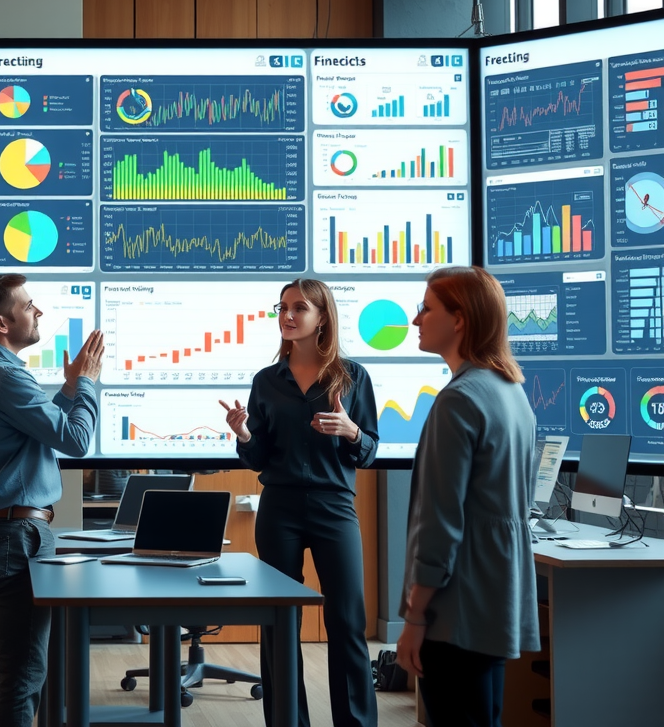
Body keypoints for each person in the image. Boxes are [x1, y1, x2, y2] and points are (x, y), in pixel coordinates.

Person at [0, 273, 104, 727]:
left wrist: (68, 390)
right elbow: (75, 440)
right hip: (11, 537)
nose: (38, 311)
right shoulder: (6, 376)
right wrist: (87, 384)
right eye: (29, 306)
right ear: (2, 323)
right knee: (22, 672)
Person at [221, 278, 379, 727]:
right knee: (279, 622)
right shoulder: (266, 381)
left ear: (322, 316)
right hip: (280, 509)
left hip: (335, 507)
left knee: (347, 621)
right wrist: (244, 434)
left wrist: (352, 432)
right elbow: (258, 457)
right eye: (283, 307)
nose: (287, 316)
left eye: (300, 308)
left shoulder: (353, 377)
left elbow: (368, 452)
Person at [396, 266, 539, 727]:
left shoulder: (458, 400)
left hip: (455, 609)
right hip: (495, 602)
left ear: (459, 319)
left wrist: (415, 617)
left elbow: (440, 525)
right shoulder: (511, 391)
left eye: (426, 308)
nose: (416, 320)